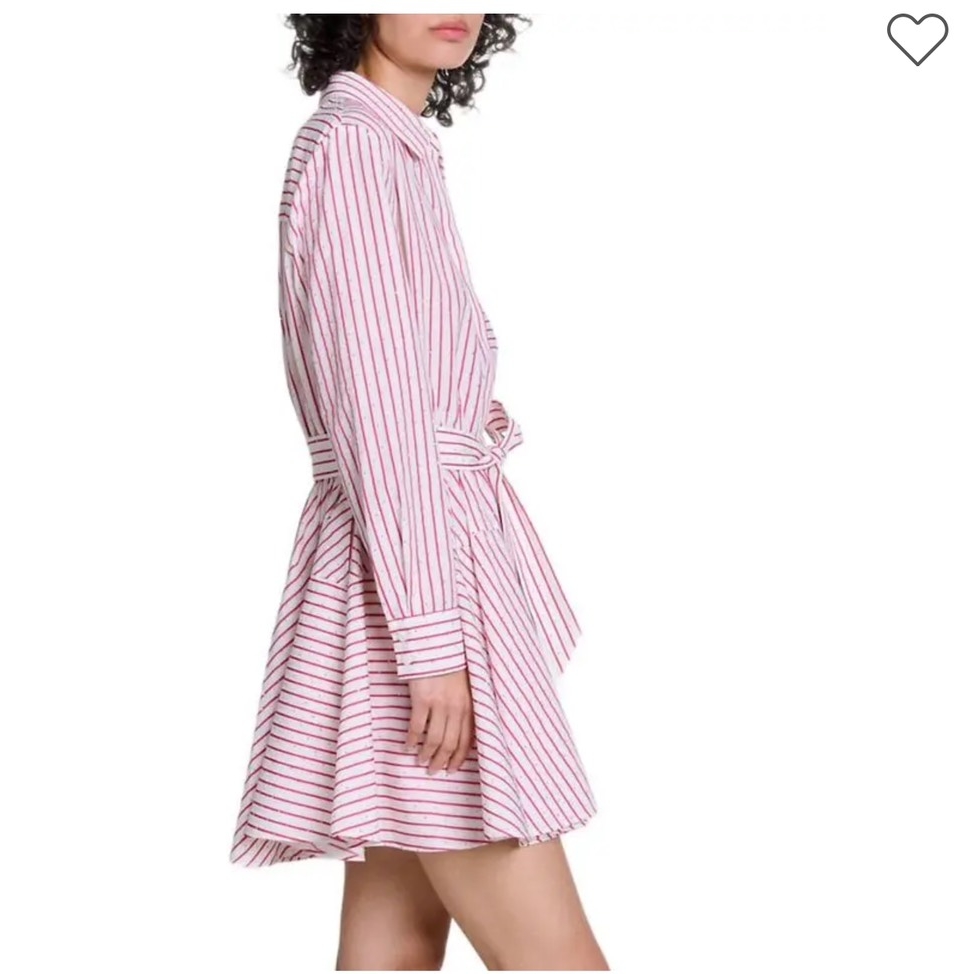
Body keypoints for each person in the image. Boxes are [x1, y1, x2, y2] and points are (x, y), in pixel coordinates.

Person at [229, 14, 609, 971]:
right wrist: (433, 641)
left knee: (394, 945)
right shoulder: (355, 150)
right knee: (558, 959)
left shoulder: (391, 148)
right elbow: (378, 417)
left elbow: (396, 394)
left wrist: (466, 413)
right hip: (417, 587)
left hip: (407, 566)